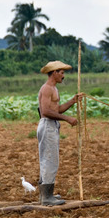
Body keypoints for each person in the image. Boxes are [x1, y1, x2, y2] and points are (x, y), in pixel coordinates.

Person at [37, 60, 82, 206]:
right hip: (47, 125)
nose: (63, 76)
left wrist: (73, 101)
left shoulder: (54, 89)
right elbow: (45, 111)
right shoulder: (47, 88)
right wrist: (67, 119)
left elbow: (57, 109)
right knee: (49, 160)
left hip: (52, 125)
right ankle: (46, 197)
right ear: (54, 73)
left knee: (50, 159)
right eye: (61, 73)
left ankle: (47, 194)